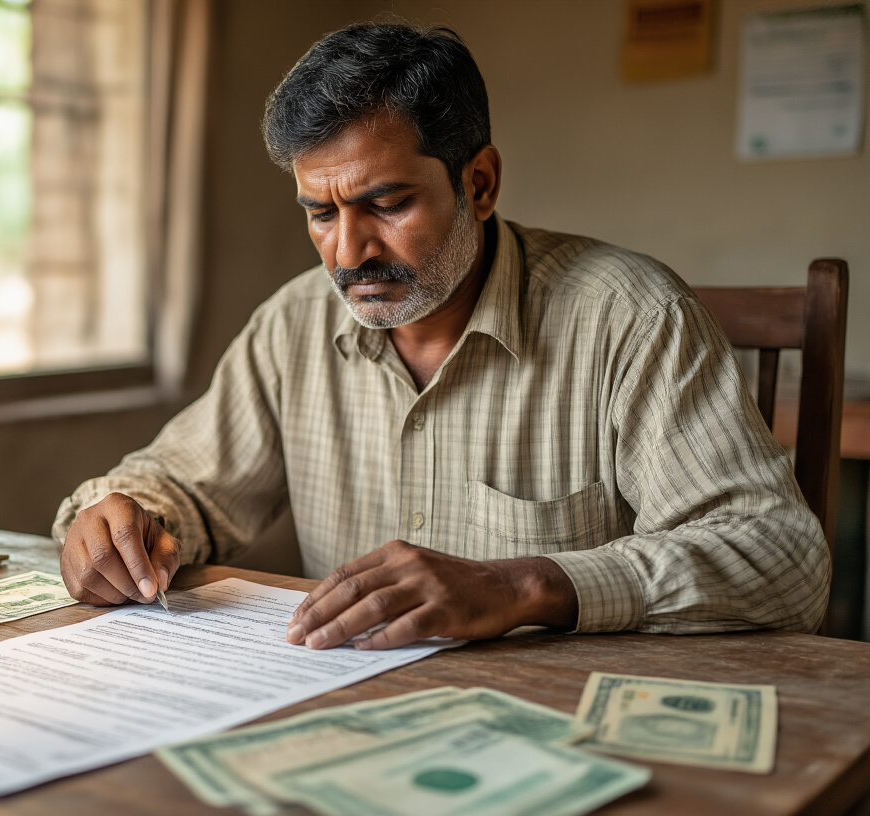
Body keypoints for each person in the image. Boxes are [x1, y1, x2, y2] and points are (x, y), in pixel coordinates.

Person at [51, 22, 830, 649]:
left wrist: (522, 586)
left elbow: (781, 558)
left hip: (573, 728)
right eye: (321, 213)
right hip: (351, 715)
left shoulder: (629, 317)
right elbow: (181, 487)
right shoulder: (294, 324)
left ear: (479, 183)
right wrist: (120, 519)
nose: (348, 253)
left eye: (386, 203)